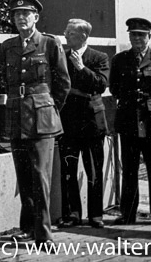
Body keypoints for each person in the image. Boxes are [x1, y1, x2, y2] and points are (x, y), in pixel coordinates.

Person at [0, 0, 71, 244]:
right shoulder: (8, 46)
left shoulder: (49, 44)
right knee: (24, 176)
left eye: (25, 14)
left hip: (42, 118)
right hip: (17, 115)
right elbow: (4, 80)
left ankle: (44, 233)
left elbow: (63, 83)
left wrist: (48, 108)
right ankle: (28, 227)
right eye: (16, 15)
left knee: (41, 177)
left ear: (36, 18)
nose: (20, 18)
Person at [109, 17, 151, 227]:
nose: (137, 38)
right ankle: (127, 214)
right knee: (129, 169)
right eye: (133, 34)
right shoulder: (119, 60)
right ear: (129, 36)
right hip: (128, 121)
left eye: (141, 35)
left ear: (149, 36)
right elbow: (114, 88)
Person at [55, 18, 110, 228]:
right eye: (67, 32)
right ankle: (72, 214)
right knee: (68, 170)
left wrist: (81, 67)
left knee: (94, 171)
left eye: (70, 33)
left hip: (92, 122)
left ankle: (96, 215)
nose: (66, 35)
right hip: (68, 121)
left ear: (83, 36)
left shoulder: (99, 57)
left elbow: (101, 85)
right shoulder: (62, 56)